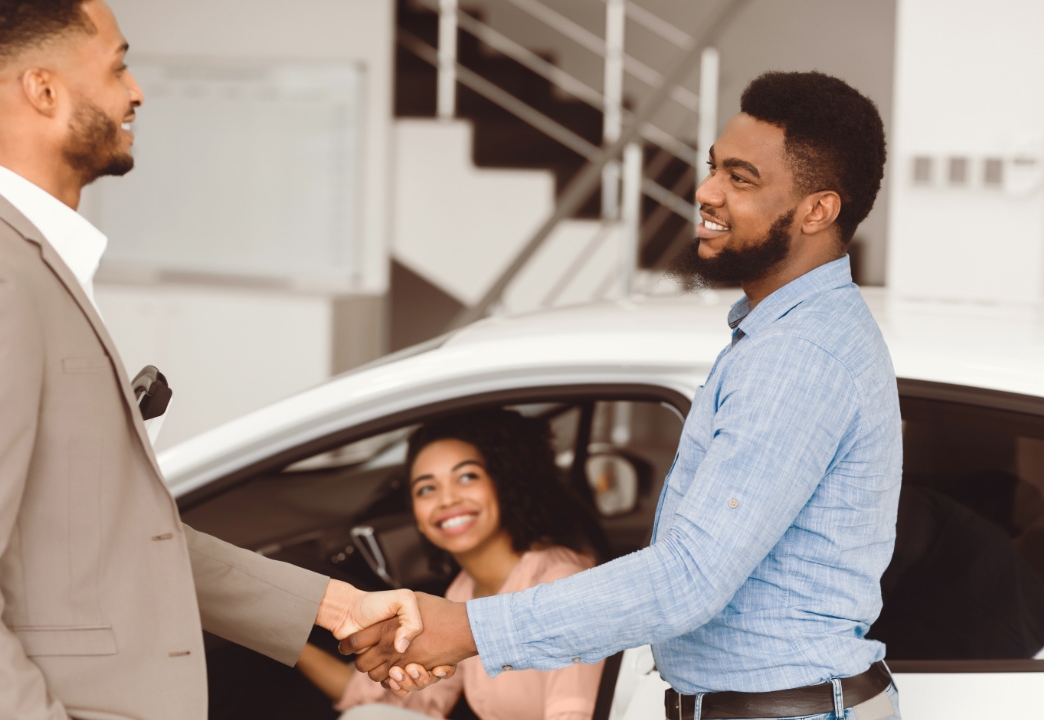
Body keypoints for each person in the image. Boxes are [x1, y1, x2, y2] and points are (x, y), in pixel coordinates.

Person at [0, 2, 419, 718]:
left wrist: (336, 605)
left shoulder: (25, 269)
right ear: (43, 90)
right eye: (118, 65)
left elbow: (121, 540)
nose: (137, 91)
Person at [343, 71, 905, 720]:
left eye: (741, 178)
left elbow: (690, 577)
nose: (707, 191)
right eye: (713, 167)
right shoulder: (784, 333)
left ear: (817, 210)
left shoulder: (798, 356)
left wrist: (470, 629)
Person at [297, 409, 605, 720]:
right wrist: (284, 634)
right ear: (416, 513)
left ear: (504, 484)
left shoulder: (561, 581)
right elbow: (396, 703)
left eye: (467, 477)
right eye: (427, 488)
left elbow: (576, 714)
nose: (447, 500)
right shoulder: (463, 591)